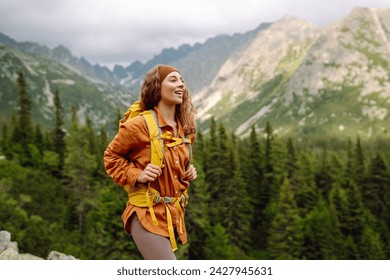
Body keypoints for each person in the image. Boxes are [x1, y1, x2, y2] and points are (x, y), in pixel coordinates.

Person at [104, 64, 197, 260]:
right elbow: (111, 157)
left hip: (172, 215)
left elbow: (175, 163)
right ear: (157, 87)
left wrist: (188, 171)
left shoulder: (185, 128)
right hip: (145, 214)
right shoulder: (138, 125)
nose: (181, 85)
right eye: (173, 80)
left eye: (182, 81)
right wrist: (137, 175)